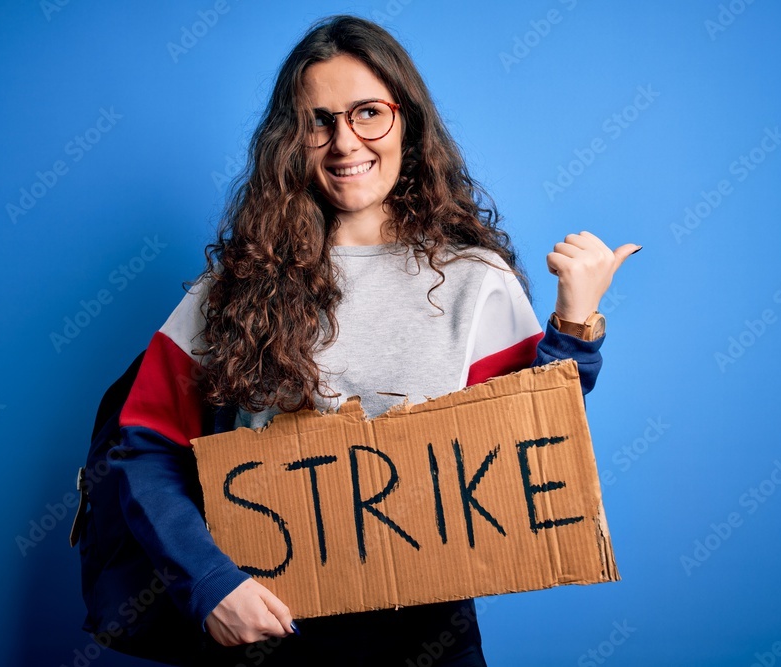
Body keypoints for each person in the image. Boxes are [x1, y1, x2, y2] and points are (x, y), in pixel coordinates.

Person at [110, 14, 638, 667]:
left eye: (367, 113)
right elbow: (144, 450)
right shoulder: (230, 289)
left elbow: (529, 441)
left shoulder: (475, 281)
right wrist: (211, 583)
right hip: (269, 633)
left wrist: (576, 323)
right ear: (290, 141)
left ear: (407, 123)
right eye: (318, 121)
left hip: (429, 636)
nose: (344, 141)